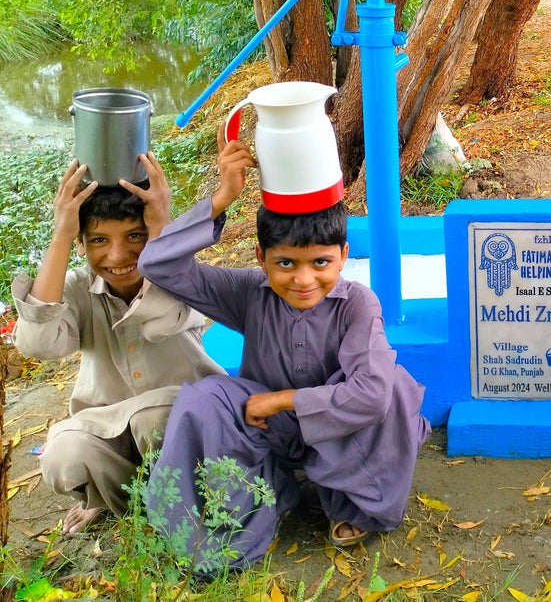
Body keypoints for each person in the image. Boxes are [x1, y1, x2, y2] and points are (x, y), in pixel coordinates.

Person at [137, 125, 430, 575]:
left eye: (321, 262)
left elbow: (369, 395)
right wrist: (222, 199)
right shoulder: (251, 292)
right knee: (204, 397)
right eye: (285, 263)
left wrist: (283, 399)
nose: (304, 280)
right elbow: (157, 265)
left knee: (391, 385)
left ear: (344, 254)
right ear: (261, 257)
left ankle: (355, 504)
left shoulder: (357, 304)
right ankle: (240, 513)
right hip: (267, 431)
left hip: (338, 436)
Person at [12, 154, 224, 535]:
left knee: (152, 418)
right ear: (81, 243)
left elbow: (163, 320)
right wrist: (62, 233)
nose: (117, 256)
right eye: (98, 240)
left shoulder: (183, 276)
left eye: (135, 236)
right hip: (113, 429)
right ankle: (122, 501)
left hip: (188, 421)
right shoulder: (77, 288)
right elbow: (39, 344)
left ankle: (190, 501)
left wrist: (161, 220)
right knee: (62, 454)